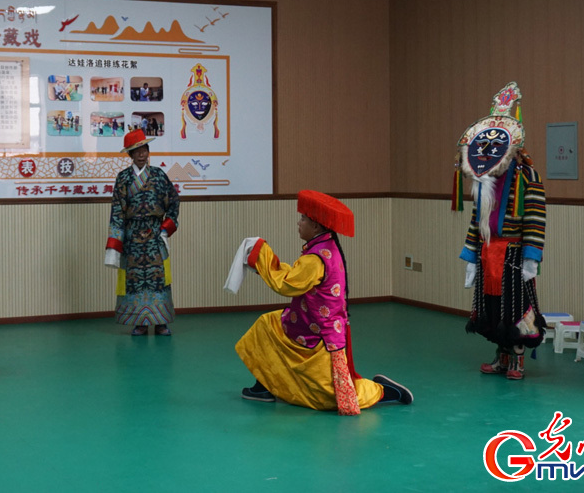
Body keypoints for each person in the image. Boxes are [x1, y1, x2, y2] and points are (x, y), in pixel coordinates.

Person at [234, 191, 412, 413]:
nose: (299, 223)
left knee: (330, 398)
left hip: (316, 334)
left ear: (316, 227)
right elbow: (297, 278)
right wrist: (264, 265)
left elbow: (286, 285)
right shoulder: (324, 248)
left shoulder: (315, 258)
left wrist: (262, 254)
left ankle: (383, 391)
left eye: (303, 219)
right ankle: (263, 387)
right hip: (304, 322)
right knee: (266, 326)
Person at [455, 82, 546, 380]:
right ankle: (501, 357)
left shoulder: (527, 175)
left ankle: (518, 360)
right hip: (488, 252)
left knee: (517, 307)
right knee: (492, 308)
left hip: (514, 253)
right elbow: (474, 219)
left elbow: (535, 217)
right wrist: (471, 253)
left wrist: (532, 256)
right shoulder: (483, 178)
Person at [104, 129, 180, 335]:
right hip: (132, 237)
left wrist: (166, 229)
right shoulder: (123, 178)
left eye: (144, 149)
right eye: (136, 150)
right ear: (130, 154)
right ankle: (140, 322)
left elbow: (173, 201)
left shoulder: (158, 175)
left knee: (158, 278)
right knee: (135, 280)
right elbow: (117, 211)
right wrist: (115, 243)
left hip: (155, 235)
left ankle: (161, 321)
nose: (141, 154)